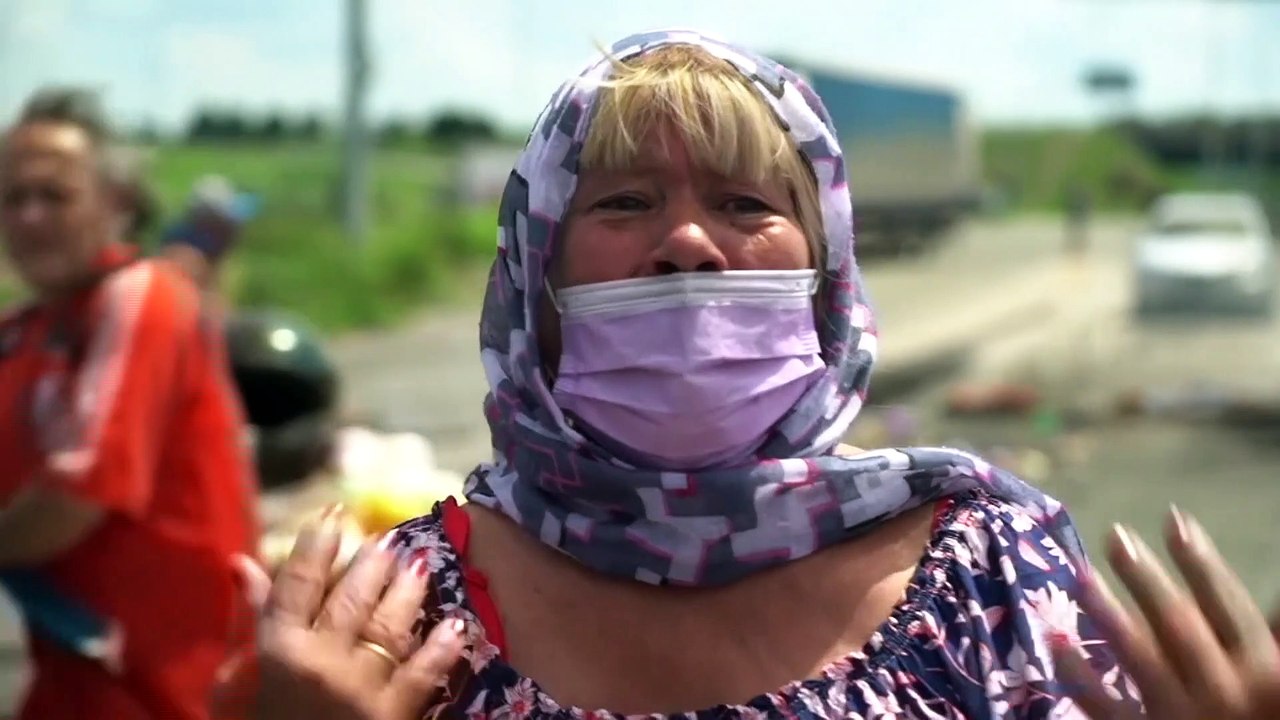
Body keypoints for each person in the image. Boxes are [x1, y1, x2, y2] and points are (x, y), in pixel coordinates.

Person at [243, 31, 1279, 719]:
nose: (687, 242)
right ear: (531, 282)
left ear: (825, 280)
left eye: (745, 205)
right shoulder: (391, 625)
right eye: (622, 203)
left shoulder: (987, 569)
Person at [0, 86, 259, 718]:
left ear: (116, 202)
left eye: (54, 195)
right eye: (12, 198)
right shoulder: (23, 329)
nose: (30, 217)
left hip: (170, 693)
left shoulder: (143, 298)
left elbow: (76, 493)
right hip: (75, 681)